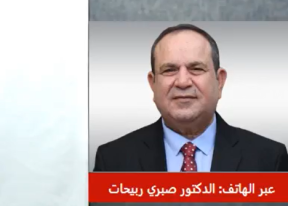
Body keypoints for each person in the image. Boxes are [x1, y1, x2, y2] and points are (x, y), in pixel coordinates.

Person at [93, 23, 288, 172]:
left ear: (219, 81)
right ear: (153, 83)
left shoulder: (268, 159)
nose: (183, 82)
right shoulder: (113, 161)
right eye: (169, 70)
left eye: (196, 68)